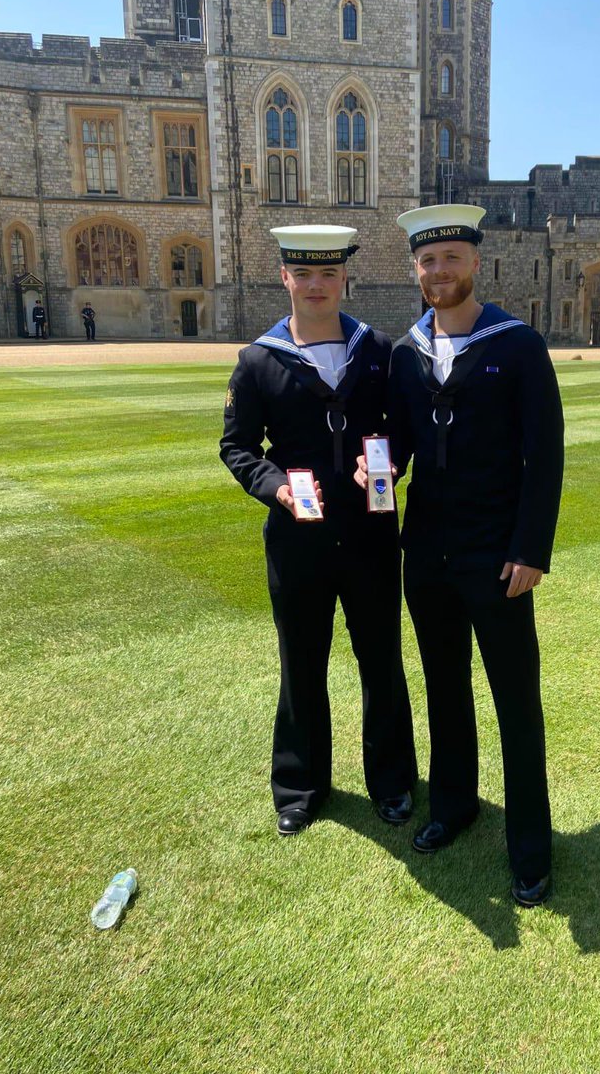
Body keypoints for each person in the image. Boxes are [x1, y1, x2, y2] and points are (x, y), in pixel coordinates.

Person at [358, 204, 564, 907]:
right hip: (429, 555)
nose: (438, 272)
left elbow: (545, 456)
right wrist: (372, 469)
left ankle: (531, 846)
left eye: (450, 259)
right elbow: (400, 443)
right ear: (415, 271)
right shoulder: (407, 352)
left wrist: (532, 548)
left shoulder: (519, 345)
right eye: (427, 262)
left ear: (475, 263)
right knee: (444, 688)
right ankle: (453, 804)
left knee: (516, 701)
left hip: (499, 558)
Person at [220, 225, 417, 837]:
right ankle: (301, 787)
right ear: (285, 278)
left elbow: (400, 428)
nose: (315, 285)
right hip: (297, 540)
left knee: (380, 660)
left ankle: (392, 781)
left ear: (344, 279)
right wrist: (275, 485)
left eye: (327, 274)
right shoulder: (258, 360)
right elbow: (237, 447)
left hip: (370, 536)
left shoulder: (378, 350)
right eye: (303, 274)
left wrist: (383, 461)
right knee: (300, 663)